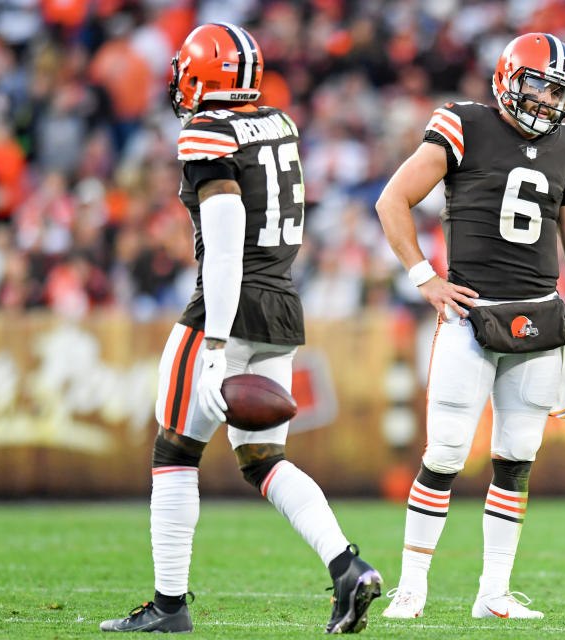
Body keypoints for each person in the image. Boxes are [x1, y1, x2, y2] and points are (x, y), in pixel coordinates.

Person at [100, 23, 381, 634]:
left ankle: (168, 608)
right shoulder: (279, 123)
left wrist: (216, 346)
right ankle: (346, 566)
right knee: (262, 459)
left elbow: (225, 246)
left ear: (201, 74)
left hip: (226, 307)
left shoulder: (206, 130)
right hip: (280, 302)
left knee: (174, 450)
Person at [376, 33, 565, 620]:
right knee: (447, 452)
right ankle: (412, 588)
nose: (546, 101)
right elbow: (391, 200)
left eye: (557, 91)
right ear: (508, 77)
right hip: (469, 313)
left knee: (516, 458)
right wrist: (425, 277)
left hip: (539, 318)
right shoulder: (464, 123)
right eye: (537, 84)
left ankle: (494, 593)